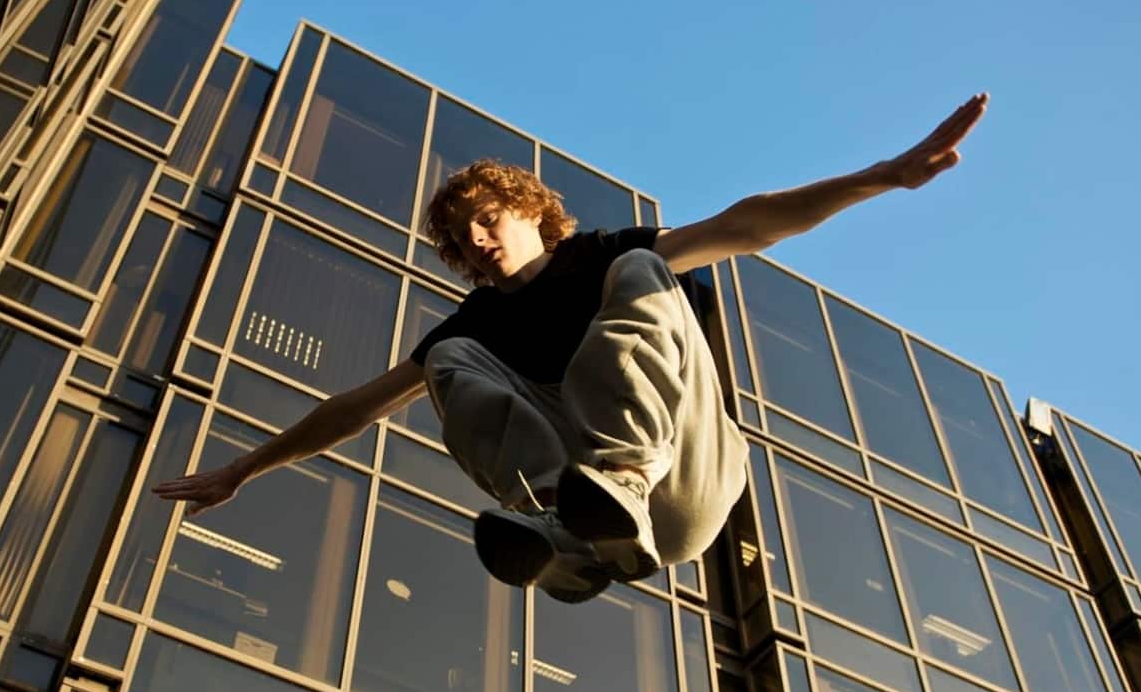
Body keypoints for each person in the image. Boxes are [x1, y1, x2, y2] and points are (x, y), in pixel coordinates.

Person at [154, 93, 987, 602]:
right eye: (461, 236)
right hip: (588, 516)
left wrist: (882, 176)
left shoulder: (594, 252)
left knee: (638, 270)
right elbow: (352, 410)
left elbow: (749, 222)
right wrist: (243, 469)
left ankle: (613, 486)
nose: (479, 241)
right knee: (444, 363)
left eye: (490, 220)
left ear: (531, 213)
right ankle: (562, 524)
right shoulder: (471, 327)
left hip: (687, 481)